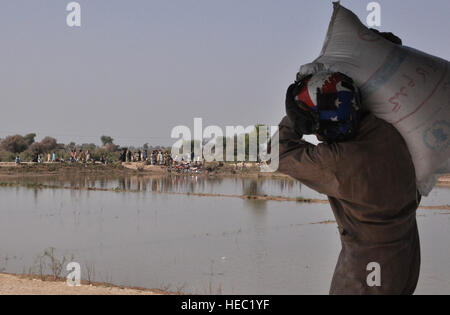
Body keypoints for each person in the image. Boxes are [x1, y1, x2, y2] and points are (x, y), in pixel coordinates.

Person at [279, 71, 420, 295]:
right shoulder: (387, 132)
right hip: (406, 256)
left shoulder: (338, 160)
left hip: (371, 269)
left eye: (313, 127)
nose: (314, 134)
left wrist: (295, 118)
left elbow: (274, 153)